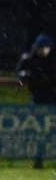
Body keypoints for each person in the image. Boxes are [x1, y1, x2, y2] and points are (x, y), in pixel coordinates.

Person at [15, 33, 54, 168]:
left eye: (45, 48)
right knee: (38, 131)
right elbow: (19, 74)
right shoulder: (30, 58)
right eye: (41, 48)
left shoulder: (52, 59)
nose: (43, 51)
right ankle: (39, 159)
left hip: (52, 99)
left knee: (48, 130)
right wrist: (23, 76)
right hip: (38, 99)